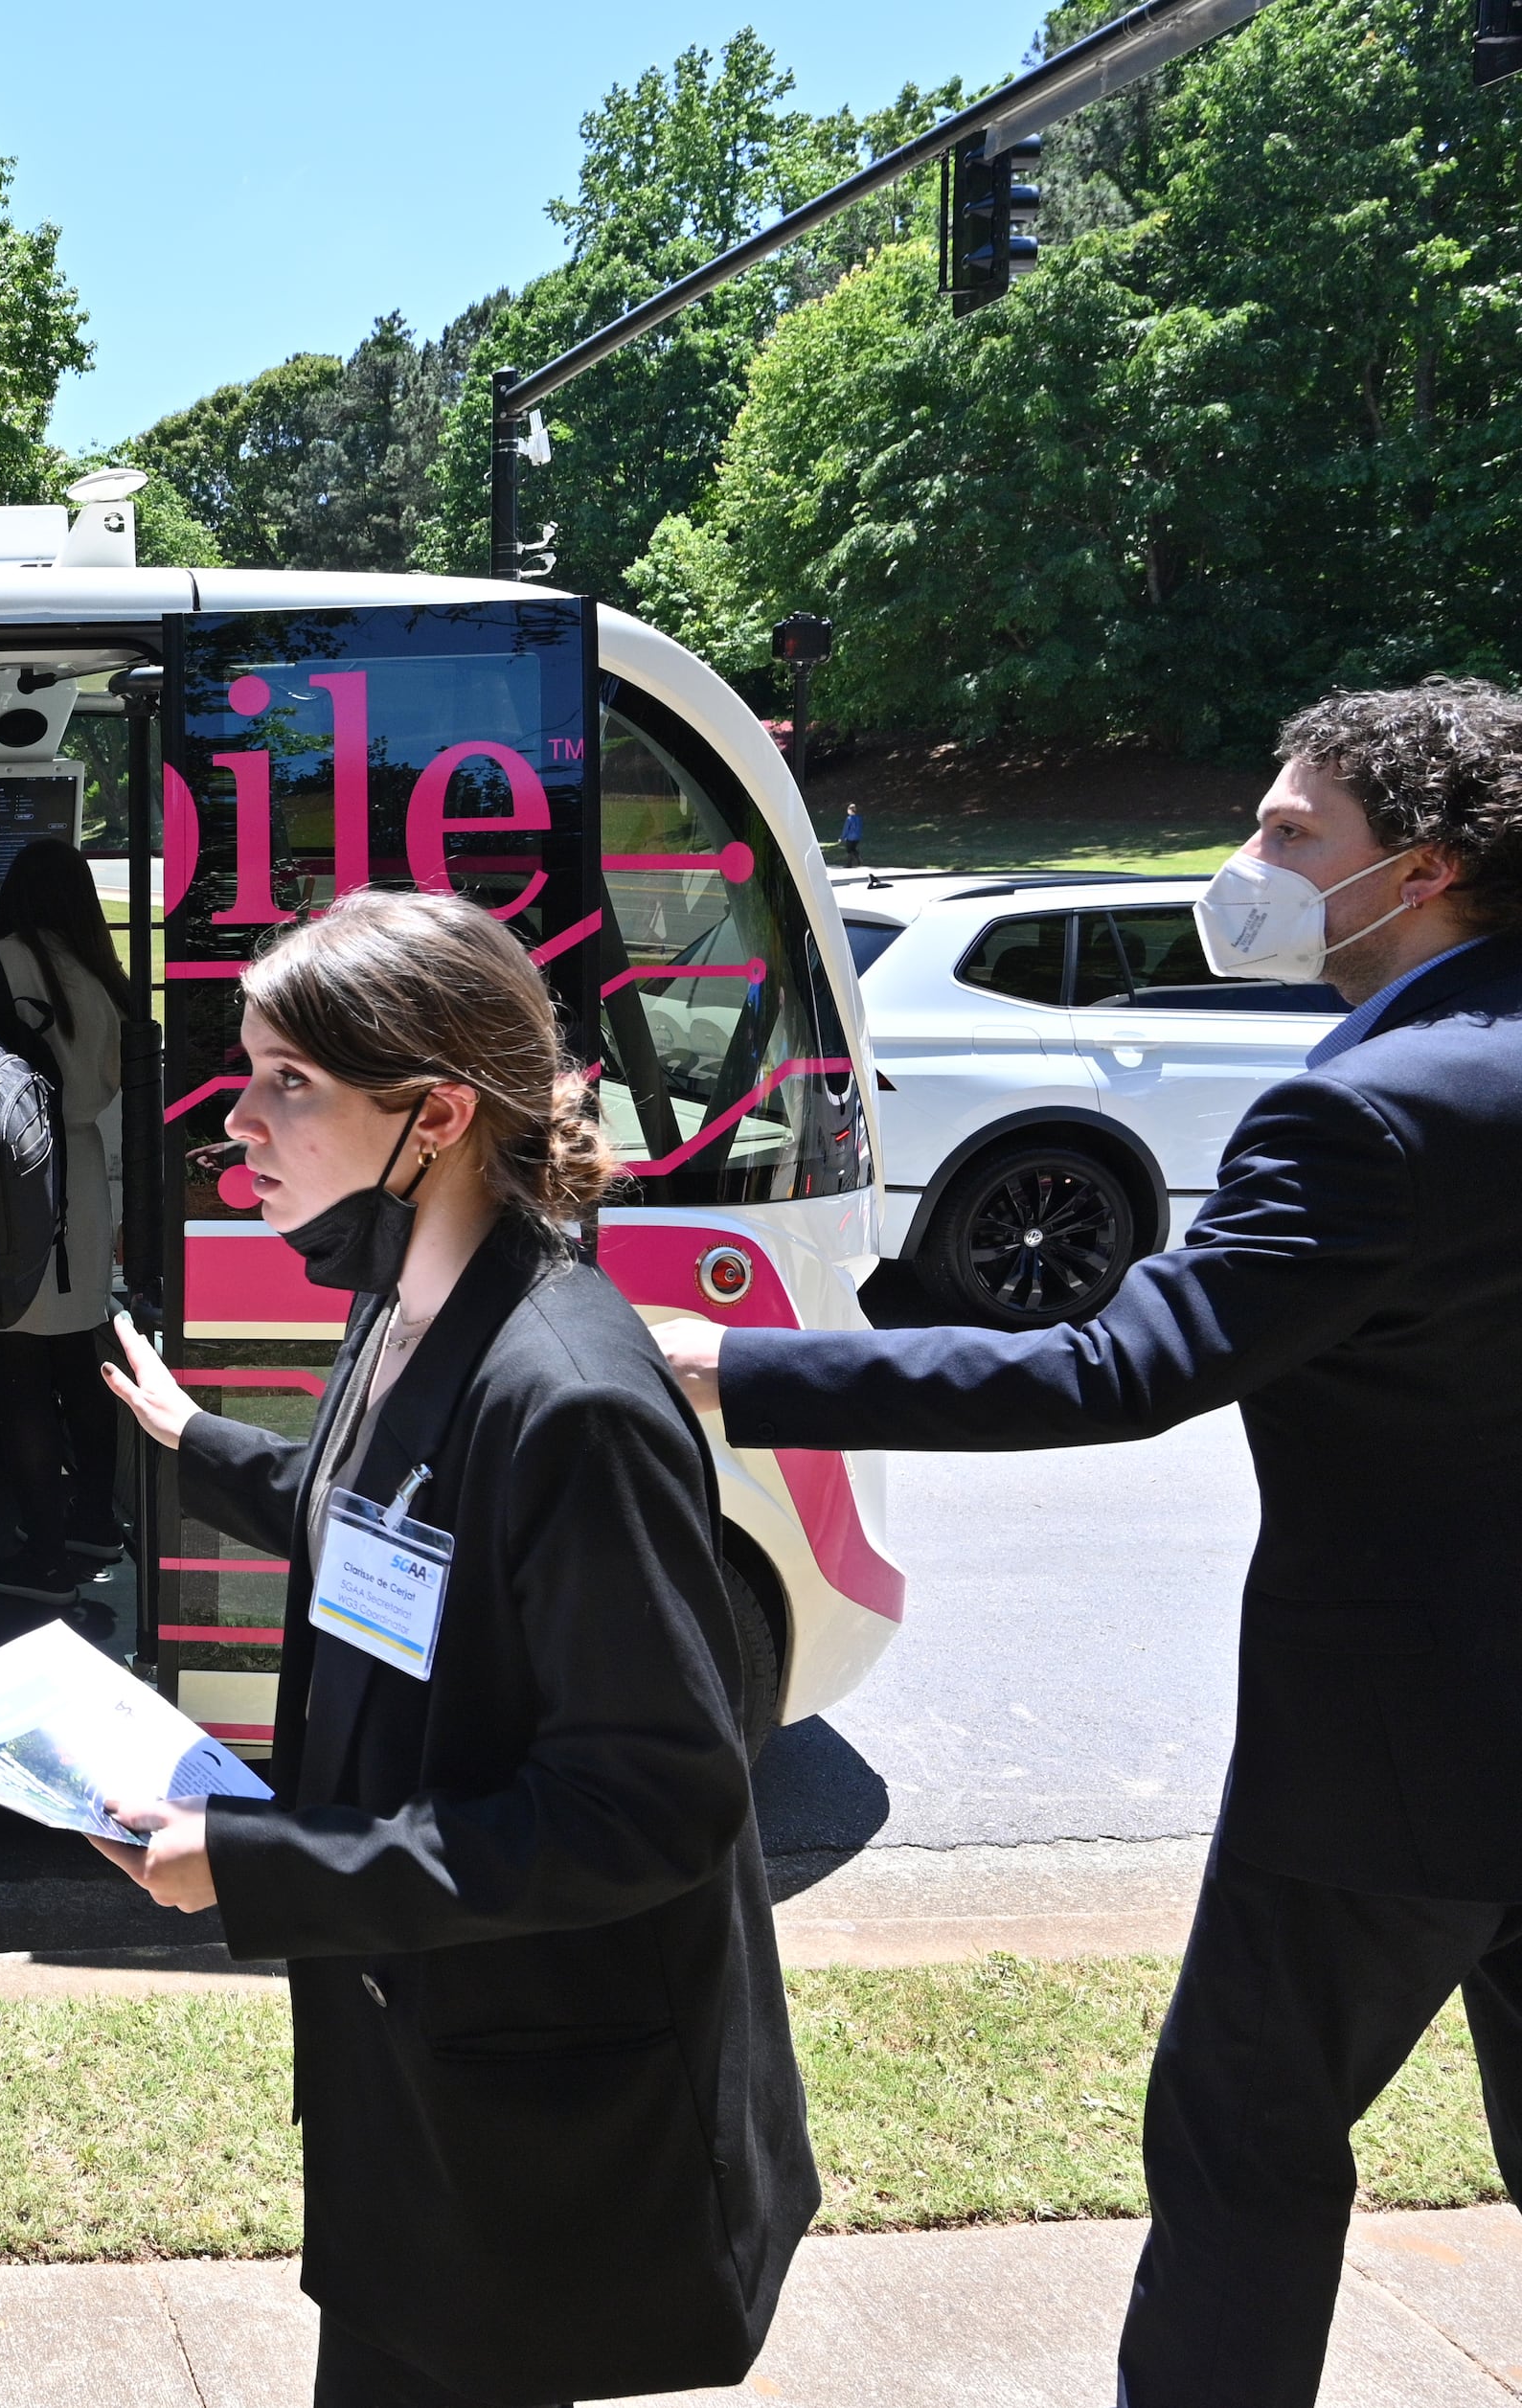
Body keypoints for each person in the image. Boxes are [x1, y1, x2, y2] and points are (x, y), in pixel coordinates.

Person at [657, 677, 1522, 2408]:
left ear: (1418, 870)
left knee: (1244, 2143)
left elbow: (1115, 1364)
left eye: (1290, 831)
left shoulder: (1371, 1112)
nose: (1246, 857)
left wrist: (733, 1368)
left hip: (1395, 1764)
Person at [98, 887, 814, 2408]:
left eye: (290, 1082)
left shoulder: (570, 1395)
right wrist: (199, 1439)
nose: (239, 1122)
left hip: (536, 2120)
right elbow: (385, 1533)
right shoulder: (405, 1307)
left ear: (435, 1114)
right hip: (427, 2068)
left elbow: (655, 1803)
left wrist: (266, 1858)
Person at [0, 836, 131, 1609]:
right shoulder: (107, 980)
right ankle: (95, 1520)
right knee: (81, 1356)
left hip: (9, 1183)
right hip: (84, 1176)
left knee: (17, 1370)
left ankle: (44, 1553)